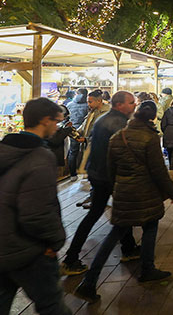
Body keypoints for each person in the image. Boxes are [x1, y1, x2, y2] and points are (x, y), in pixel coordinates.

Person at [74, 101, 173, 303]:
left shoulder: (118, 137)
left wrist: (118, 187)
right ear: (151, 119)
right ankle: (147, 268)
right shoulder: (150, 138)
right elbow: (158, 171)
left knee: (114, 234)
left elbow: (111, 168)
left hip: (123, 194)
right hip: (145, 193)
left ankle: (89, 281)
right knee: (150, 226)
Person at [0, 98, 70, 315]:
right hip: (28, 249)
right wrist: (55, 240)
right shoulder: (39, 157)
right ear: (45, 120)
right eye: (56, 121)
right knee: (52, 305)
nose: (57, 127)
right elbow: (37, 212)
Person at [61, 91, 140, 275]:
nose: (134, 105)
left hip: (98, 173)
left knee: (109, 213)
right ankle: (72, 259)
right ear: (120, 104)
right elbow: (122, 154)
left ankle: (128, 248)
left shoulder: (103, 119)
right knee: (106, 214)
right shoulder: (119, 123)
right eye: (131, 103)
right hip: (108, 175)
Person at [75, 90, 110, 175]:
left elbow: (102, 134)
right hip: (88, 146)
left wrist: (86, 139)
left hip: (98, 148)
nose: (88, 104)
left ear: (99, 101)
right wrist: (75, 132)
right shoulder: (92, 112)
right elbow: (84, 126)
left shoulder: (106, 114)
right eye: (87, 102)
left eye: (90, 102)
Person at [65, 88, 88, 180]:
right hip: (84, 130)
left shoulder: (69, 105)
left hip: (73, 130)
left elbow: (66, 118)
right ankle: (84, 172)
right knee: (86, 151)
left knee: (73, 152)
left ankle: (73, 174)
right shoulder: (88, 105)